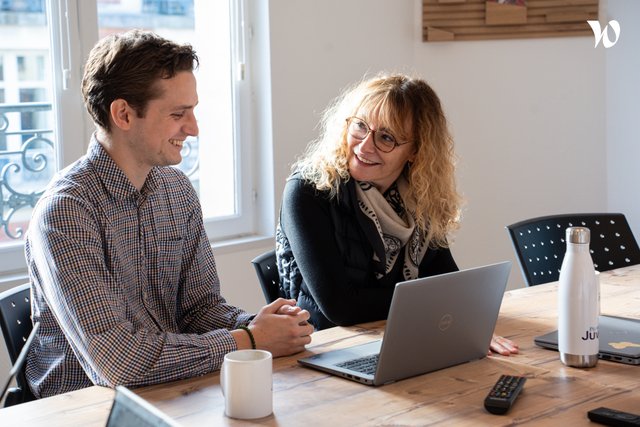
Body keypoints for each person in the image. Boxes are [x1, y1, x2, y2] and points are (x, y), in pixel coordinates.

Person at [24, 30, 313, 399]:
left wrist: (261, 325)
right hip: (85, 407)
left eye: (192, 110)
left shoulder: (177, 190)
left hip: (172, 390)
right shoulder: (66, 212)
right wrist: (250, 339)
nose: (193, 128)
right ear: (124, 114)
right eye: (178, 114)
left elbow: (199, 309)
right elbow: (116, 362)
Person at [276, 73, 517, 355]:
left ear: (415, 150)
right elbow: (340, 307)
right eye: (360, 127)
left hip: (399, 338)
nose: (365, 146)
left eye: (386, 138)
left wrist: (470, 322)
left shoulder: (417, 196)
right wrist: (431, 302)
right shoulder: (308, 190)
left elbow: (445, 281)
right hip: (325, 349)